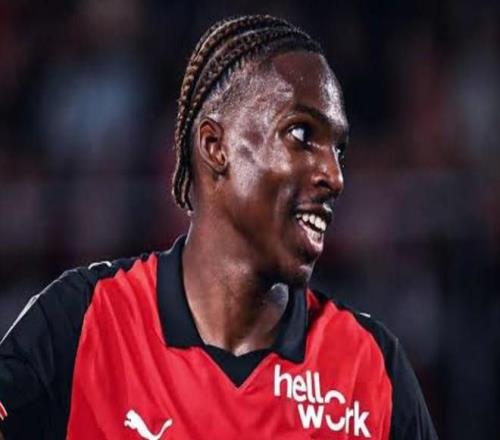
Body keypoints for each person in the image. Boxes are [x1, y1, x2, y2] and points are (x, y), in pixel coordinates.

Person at [0, 15, 438, 439]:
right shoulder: (84, 322)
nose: (334, 176)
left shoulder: (372, 368)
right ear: (215, 146)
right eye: (302, 135)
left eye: (338, 150)